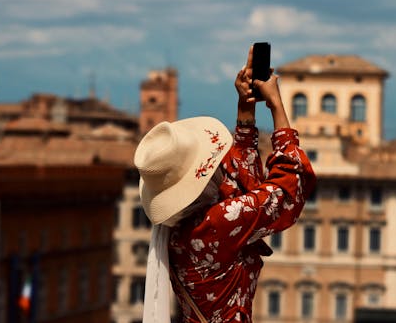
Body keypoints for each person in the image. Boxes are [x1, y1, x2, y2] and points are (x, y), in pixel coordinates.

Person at [134, 46, 316, 323]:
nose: (222, 163)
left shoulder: (180, 226)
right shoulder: (218, 224)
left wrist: (246, 107)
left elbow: (238, 184)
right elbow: (289, 187)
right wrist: (276, 105)